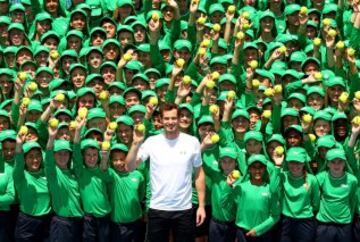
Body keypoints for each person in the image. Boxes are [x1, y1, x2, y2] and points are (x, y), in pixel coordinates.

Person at [125, 102, 206, 242]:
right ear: (161, 120)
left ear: (179, 118)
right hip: (157, 210)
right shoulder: (151, 142)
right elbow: (129, 167)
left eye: (174, 118)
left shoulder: (192, 142)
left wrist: (201, 206)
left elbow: (199, 174)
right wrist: (135, 143)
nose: (170, 122)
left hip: (184, 210)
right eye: (167, 118)